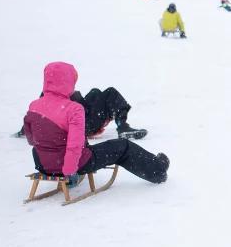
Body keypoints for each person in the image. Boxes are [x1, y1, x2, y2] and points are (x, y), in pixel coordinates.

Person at [22, 62, 168, 185]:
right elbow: (75, 145)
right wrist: (69, 172)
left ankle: (60, 162)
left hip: (43, 163)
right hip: (71, 165)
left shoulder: (34, 105)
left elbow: (31, 139)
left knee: (95, 93)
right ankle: (158, 170)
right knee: (123, 147)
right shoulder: (73, 109)